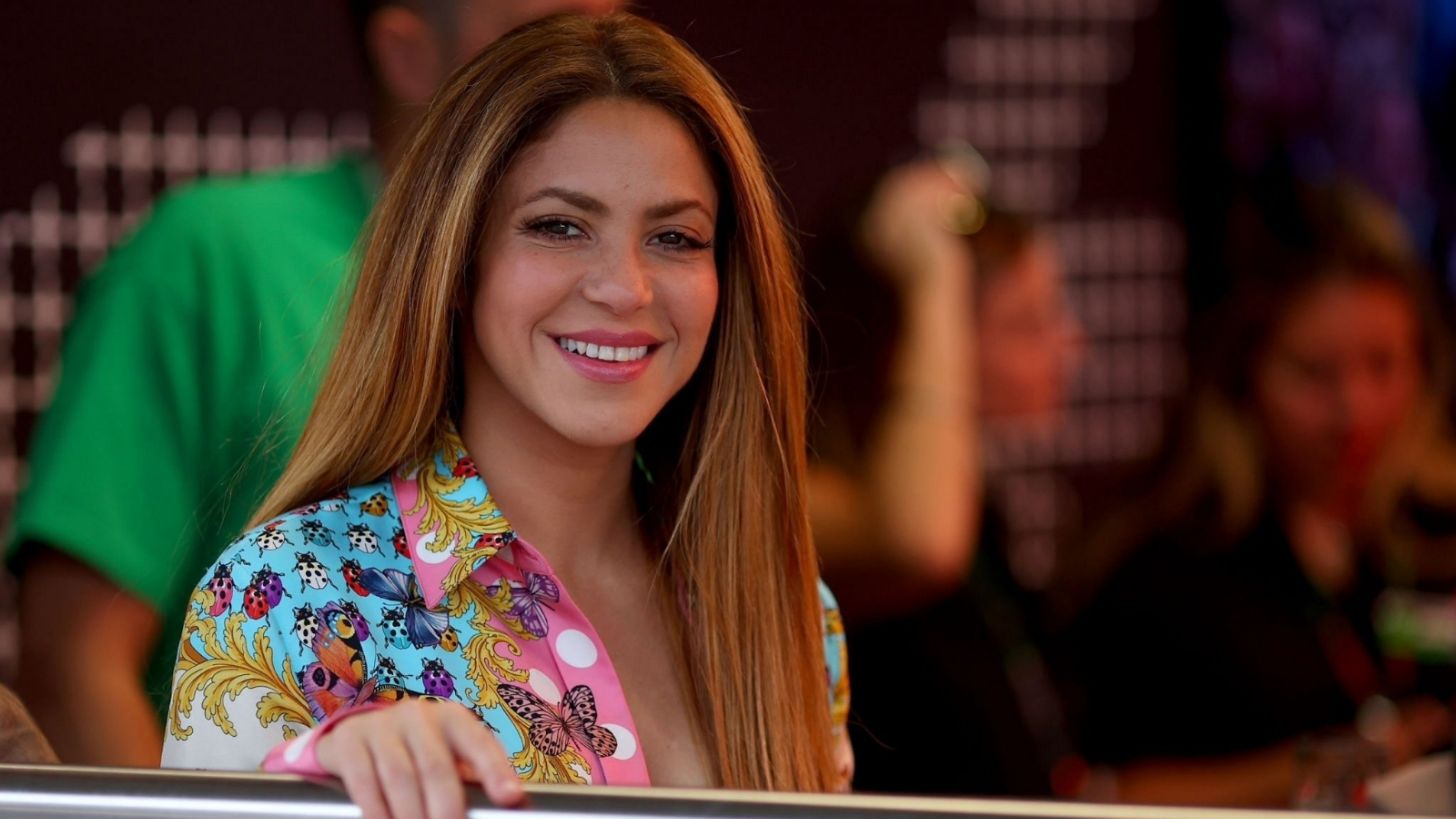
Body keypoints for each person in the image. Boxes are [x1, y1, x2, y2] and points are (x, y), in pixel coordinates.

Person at [163, 11, 852, 816]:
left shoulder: (788, 610)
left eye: (675, 237)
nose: (624, 288)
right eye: (559, 226)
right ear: (456, 260)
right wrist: (319, 782)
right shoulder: (281, 591)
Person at [8, 0, 616, 767]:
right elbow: (75, 661)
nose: (591, 70)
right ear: (406, 52)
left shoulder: (627, 311)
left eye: (613, 29)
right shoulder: (217, 255)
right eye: (536, 39)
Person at [1071, 182, 1456, 807]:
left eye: (1383, 365)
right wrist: (1356, 760)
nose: (1353, 411)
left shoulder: (1438, 529)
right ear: (1243, 374)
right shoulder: (1172, 569)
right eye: (1314, 373)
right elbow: (1112, 795)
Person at [808, 159, 1083, 795]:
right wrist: (935, 274)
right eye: (1028, 323)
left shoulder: (983, 510)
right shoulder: (807, 498)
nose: (1071, 344)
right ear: (908, 340)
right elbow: (921, 543)